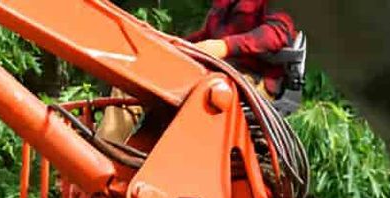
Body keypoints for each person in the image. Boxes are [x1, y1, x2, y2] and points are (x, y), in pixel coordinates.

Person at [96, 2, 298, 144]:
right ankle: (112, 154)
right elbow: (204, 38)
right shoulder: (222, 4)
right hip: (214, 75)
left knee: (146, 84)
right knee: (137, 80)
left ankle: (103, 158)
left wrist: (225, 46)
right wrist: (166, 43)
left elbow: (277, 34)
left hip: (249, 83)